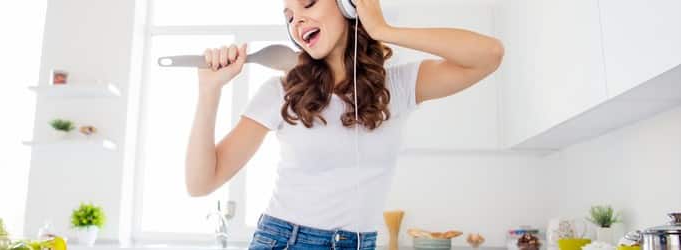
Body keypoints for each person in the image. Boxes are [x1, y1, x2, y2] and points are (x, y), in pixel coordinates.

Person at [185, 0, 504, 249]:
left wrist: (382, 29)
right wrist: (208, 91)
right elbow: (201, 183)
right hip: (286, 242)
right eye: (289, 16)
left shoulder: (397, 86)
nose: (297, 22)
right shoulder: (280, 93)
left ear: (347, 4)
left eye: (307, 5)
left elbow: (489, 54)